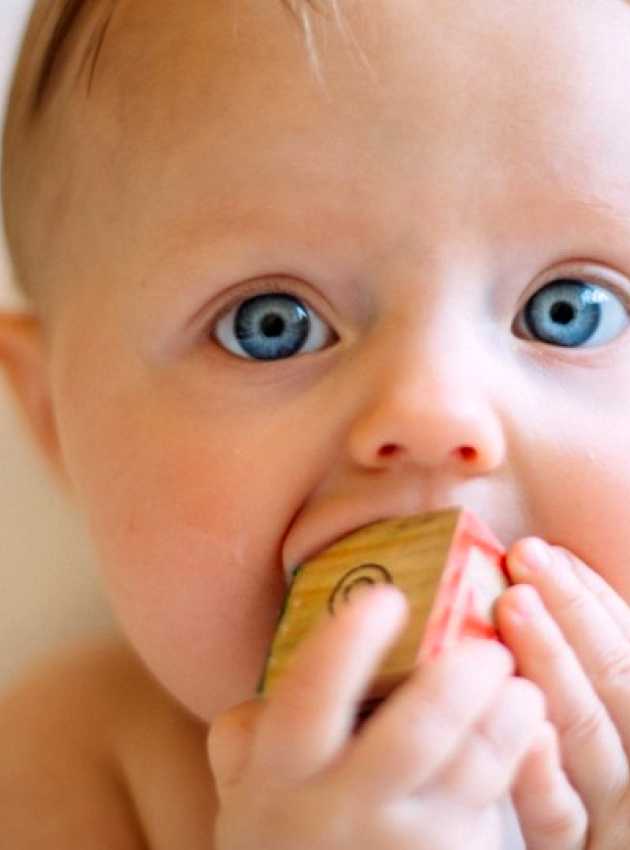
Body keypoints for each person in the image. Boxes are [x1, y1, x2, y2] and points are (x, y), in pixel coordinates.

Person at [2, 0, 630, 846]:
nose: (433, 411)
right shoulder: (75, 763)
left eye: (571, 312)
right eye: (272, 323)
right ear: (54, 421)